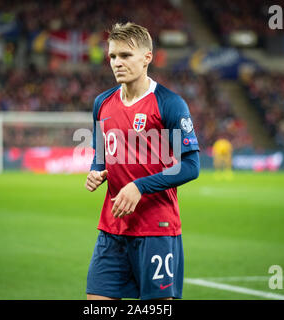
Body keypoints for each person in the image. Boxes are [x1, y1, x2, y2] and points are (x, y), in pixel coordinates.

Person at [85, 22, 200, 300]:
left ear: (147, 58)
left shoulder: (169, 104)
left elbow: (191, 166)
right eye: (112, 56)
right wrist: (96, 171)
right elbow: (100, 155)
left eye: (125, 55)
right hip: (112, 228)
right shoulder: (102, 103)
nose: (116, 63)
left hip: (156, 229)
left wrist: (140, 186)